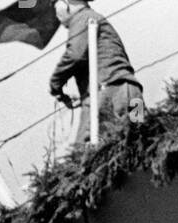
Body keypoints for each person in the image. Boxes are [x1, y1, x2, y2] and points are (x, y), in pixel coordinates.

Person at [49, 0, 145, 146]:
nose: (55, 15)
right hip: (132, 92)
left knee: (84, 155)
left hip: (108, 94)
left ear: (65, 3)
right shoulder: (95, 18)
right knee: (140, 141)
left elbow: (74, 55)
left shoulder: (82, 17)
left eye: (54, 5)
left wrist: (55, 84)